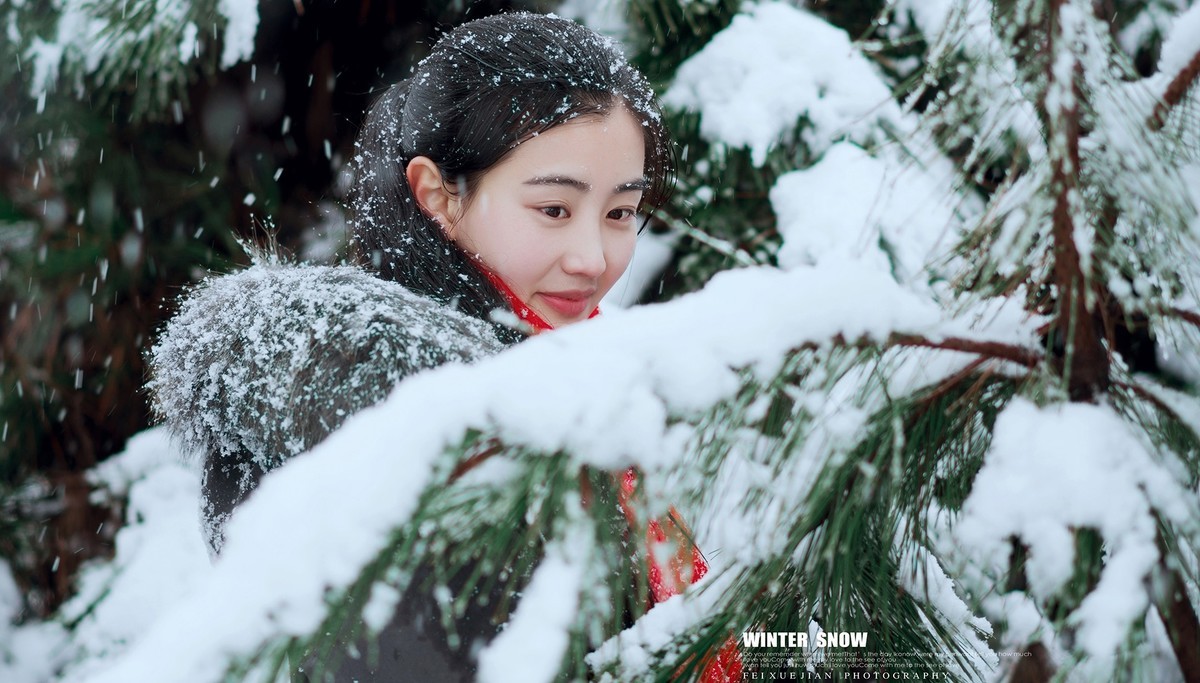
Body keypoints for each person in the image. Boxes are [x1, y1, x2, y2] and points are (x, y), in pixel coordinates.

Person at [149, 11, 739, 682]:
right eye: (554, 209)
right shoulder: (384, 430)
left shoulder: (570, 384)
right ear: (439, 195)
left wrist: (847, 648)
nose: (593, 258)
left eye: (620, 213)